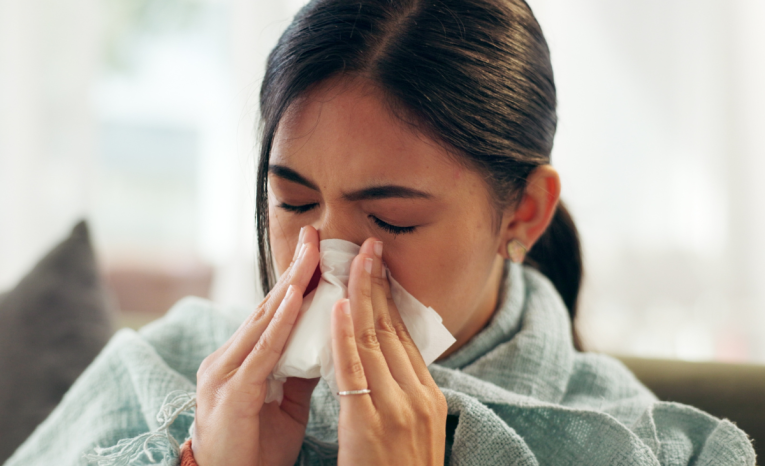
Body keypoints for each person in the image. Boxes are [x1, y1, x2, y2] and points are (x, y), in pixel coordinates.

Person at [5, 0, 755, 465]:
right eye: (292, 202)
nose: (320, 259)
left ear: (523, 213)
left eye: (392, 218)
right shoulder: (161, 373)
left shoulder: (653, 449)